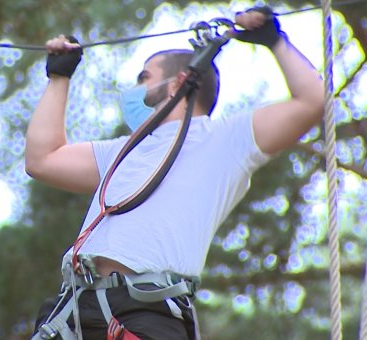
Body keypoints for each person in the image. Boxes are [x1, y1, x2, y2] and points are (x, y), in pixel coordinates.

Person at [25, 7, 324, 340]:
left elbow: (311, 102)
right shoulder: (123, 150)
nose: (135, 89)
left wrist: (275, 42)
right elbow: (43, 159)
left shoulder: (225, 140)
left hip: (145, 312)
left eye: (144, 77)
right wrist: (59, 78)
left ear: (178, 82)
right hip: (75, 310)